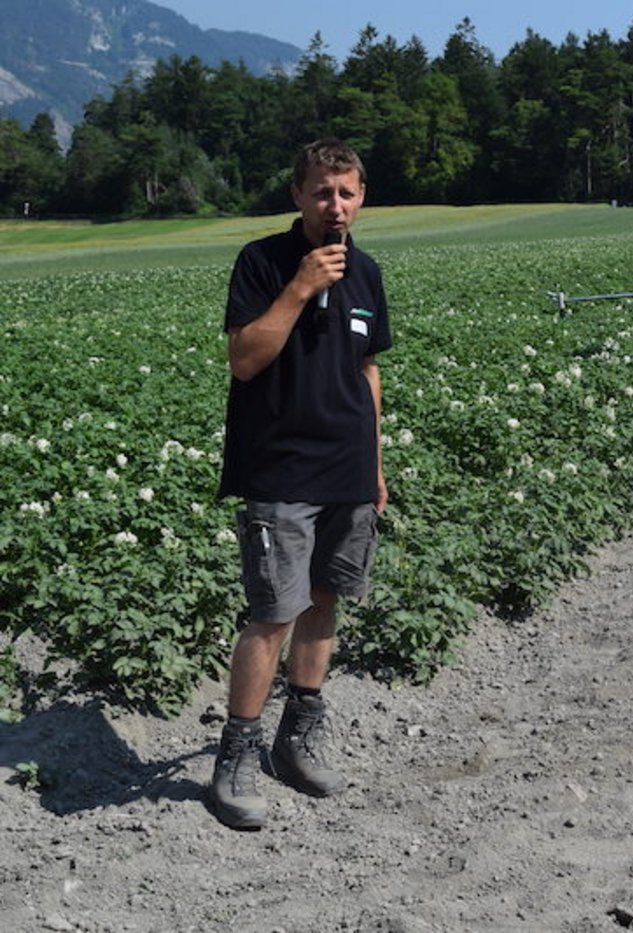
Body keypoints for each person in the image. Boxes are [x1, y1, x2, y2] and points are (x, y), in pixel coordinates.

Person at [208, 138, 391, 830]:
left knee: (323, 600)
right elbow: (244, 359)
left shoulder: (367, 272)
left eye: (346, 192)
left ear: (361, 197)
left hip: (347, 466)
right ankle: (237, 754)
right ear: (298, 195)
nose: (334, 205)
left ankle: (298, 736)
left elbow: (368, 369)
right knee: (273, 612)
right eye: (321, 192)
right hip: (280, 466)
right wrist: (300, 287)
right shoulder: (263, 262)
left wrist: (374, 464)